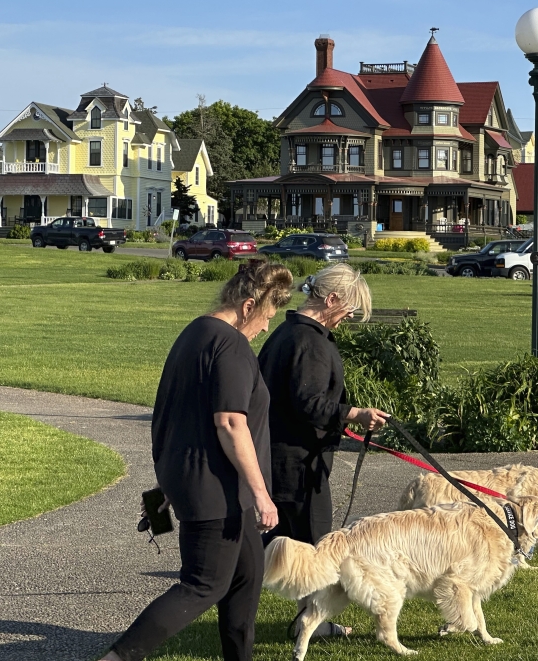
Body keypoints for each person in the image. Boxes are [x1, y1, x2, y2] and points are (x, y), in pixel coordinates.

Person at [103, 261, 294, 661]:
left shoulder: (194, 333)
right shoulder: (230, 345)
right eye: (266, 317)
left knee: (245, 580)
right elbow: (229, 422)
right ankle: (117, 658)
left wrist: (167, 481)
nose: (265, 328)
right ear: (247, 306)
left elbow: (178, 415)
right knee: (202, 585)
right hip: (217, 492)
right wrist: (262, 493)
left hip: (214, 487)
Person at [259, 263, 389, 638]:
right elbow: (308, 403)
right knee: (316, 547)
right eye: (348, 309)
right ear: (330, 299)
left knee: (287, 542)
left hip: (280, 456)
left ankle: (306, 618)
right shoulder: (310, 342)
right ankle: (312, 622)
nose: (348, 317)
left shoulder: (288, 333)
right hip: (297, 463)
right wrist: (354, 413)